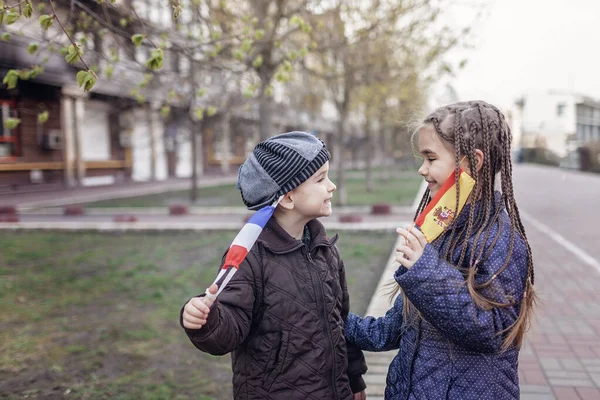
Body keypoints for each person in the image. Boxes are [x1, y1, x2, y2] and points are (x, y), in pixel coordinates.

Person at [344, 100, 536, 399]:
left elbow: (492, 331)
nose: (422, 169)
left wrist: (425, 271)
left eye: (431, 158)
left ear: (473, 161)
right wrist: (334, 320)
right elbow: (392, 329)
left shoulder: (500, 240)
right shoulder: (437, 230)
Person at [180, 131, 367, 400]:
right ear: (288, 198)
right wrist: (206, 320)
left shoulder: (325, 250)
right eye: (321, 179)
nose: (332, 186)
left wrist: (354, 379)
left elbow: (341, 322)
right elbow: (230, 330)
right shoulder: (250, 257)